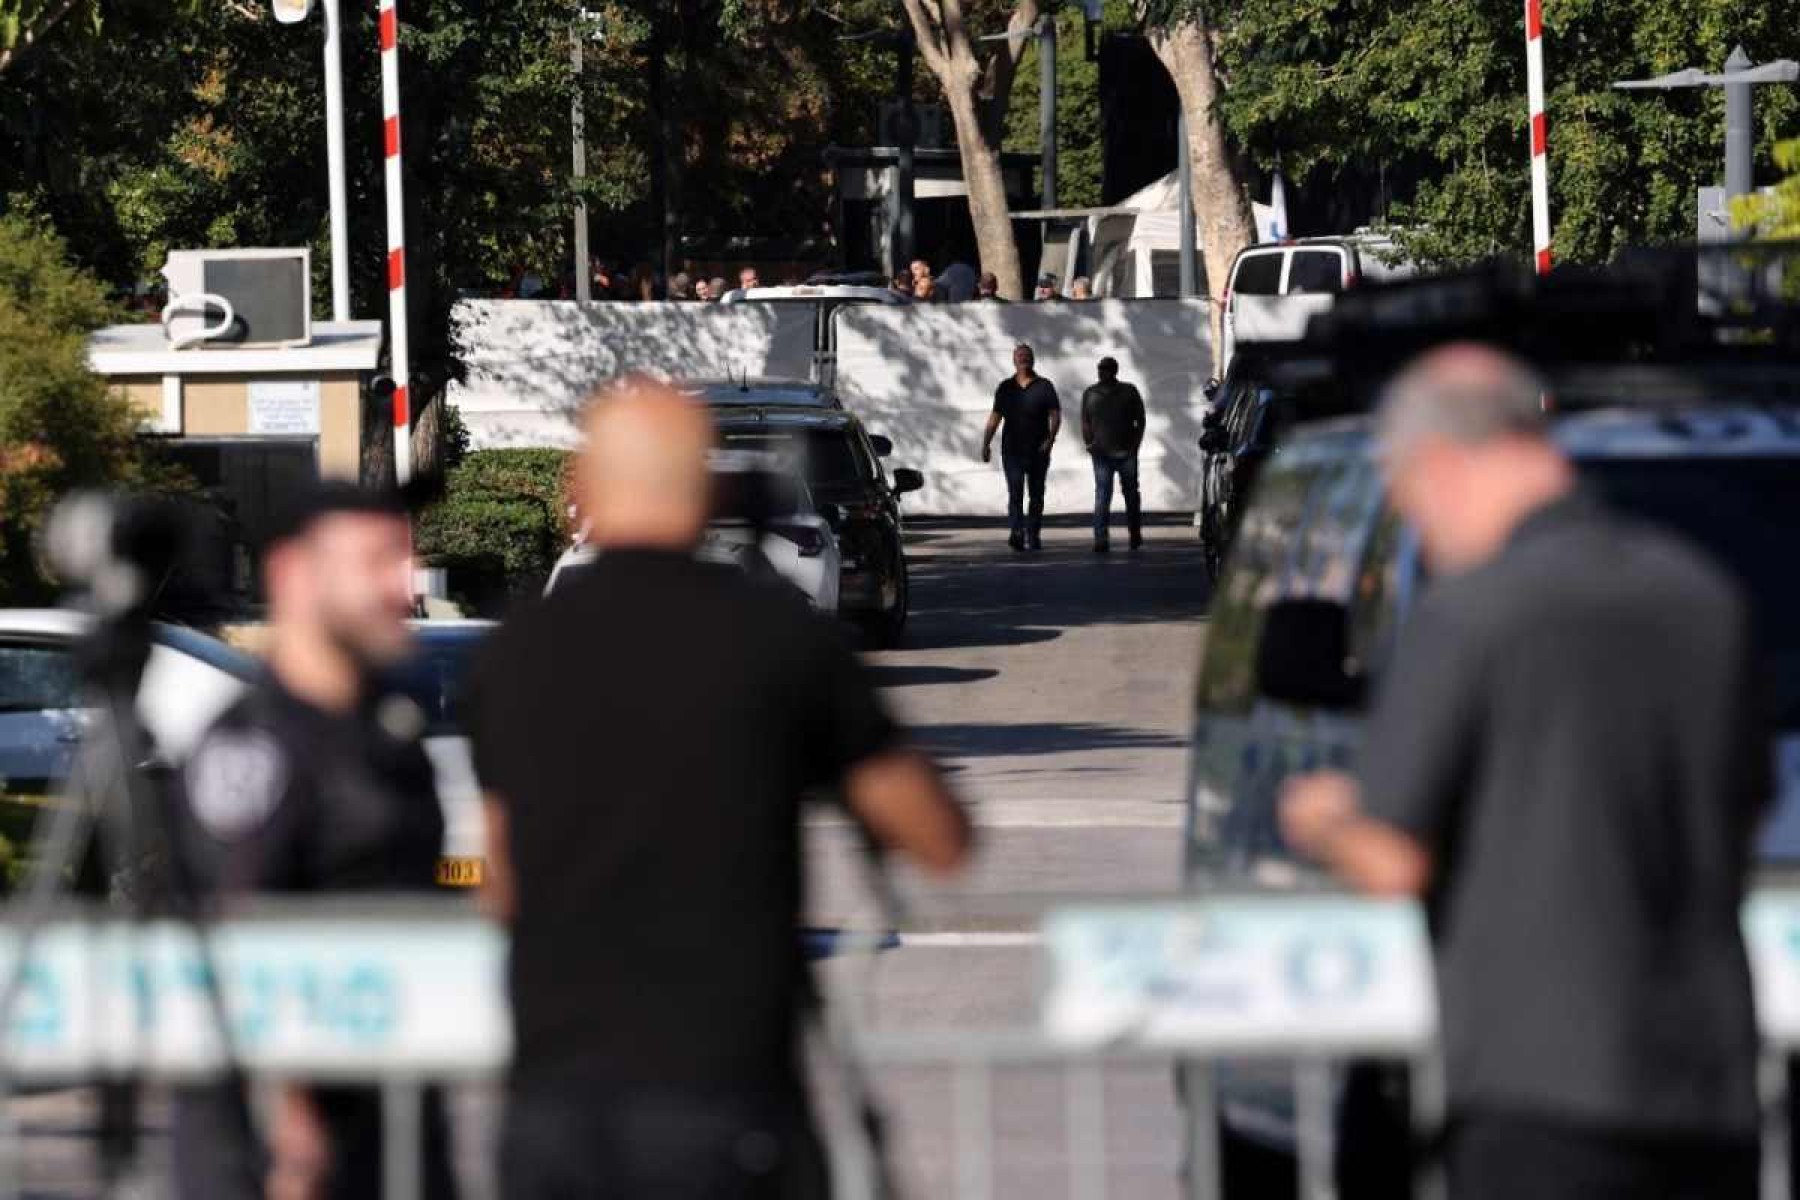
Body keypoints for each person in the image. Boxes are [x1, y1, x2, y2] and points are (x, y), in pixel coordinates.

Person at [1279, 343, 1766, 1200]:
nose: (1424, 527)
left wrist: (1324, 817)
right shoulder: (1704, 597)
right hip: (1710, 1088)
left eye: (1411, 500)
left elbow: (1395, 859)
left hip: (1538, 1091)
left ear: (1438, 463)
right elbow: (1745, 806)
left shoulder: (1471, 616)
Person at [470, 377, 972, 1200]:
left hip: (558, 1103)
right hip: (724, 1086)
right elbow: (939, 839)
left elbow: (501, 884)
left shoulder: (514, 654)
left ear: (585, 492)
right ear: (709, 492)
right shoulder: (775, 638)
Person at [171, 481, 457, 1200]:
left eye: (403, 561)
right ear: (293, 576)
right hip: (287, 1161)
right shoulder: (252, 747)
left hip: (392, 1136)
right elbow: (238, 947)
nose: (403, 586)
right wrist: (288, 1124)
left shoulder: (390, 736)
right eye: (375, 562)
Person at [981, 343, 1061, 552]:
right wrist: (986, 443)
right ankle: (1017, 532)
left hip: (1038, 451)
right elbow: (995, 417)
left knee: (1036, 495)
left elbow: (1055, 414)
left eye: (1027, 355)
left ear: (1033, 360)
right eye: (1020, 355)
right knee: (1015, 494)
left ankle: (1033, 534)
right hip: (1012, 452)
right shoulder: (1005, 387)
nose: (1024, 358)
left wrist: (1050, 440)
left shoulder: (1044, 385)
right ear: (1014, 361)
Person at [1080, 357, 1145, 552]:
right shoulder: (1090, 393)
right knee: (1102, 496)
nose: (1103, 372)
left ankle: (1135, 534)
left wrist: (1136, 445)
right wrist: (1089, 443)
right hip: (1101, 454)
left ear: (1115, 371)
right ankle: (1101, 539)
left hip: (1126, 453)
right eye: (1101, 368)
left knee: (1132, 495)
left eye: (1107, 368)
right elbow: (1085, 420)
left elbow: (1140, 419)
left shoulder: (1129, 391)